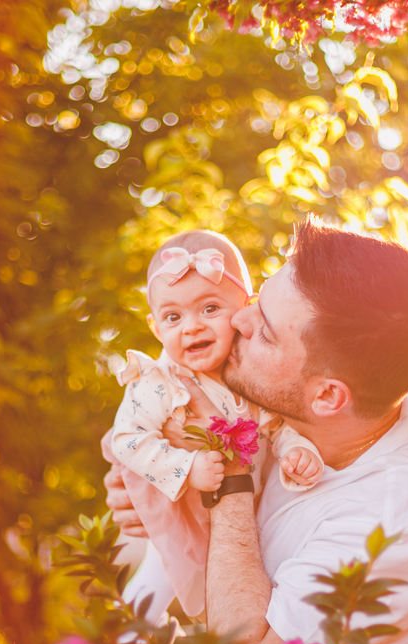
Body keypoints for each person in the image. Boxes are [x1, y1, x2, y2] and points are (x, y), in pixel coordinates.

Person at [104, 217, 408, 644]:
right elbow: (134, 447)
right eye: (257, 300)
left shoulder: (400, 517)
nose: (237, 319)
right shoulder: (352, 389)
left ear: (326, 397)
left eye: (264, 331)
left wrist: (227, 467)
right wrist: (158, 489)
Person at [103, 230, 324, 618]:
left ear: (245, 309)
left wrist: (296, 450)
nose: (192, 327)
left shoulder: (251, 374)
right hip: (183, 506)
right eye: (174, 317)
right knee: (161, 576)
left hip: (236, 517)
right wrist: (186, 468)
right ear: (156, 328)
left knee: (221, 592)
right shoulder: (160, 382)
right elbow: (126, 440)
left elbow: (275, 426)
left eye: (209, 309)